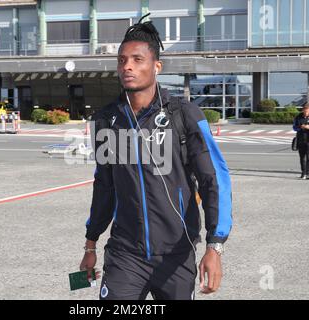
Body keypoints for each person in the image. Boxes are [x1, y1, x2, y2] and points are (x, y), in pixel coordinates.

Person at [79, 14, 232, 300]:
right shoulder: (106, 120)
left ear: (156, 66)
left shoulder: (185, 115)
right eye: (122, 60)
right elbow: (104, 187)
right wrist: (91, 245)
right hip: (125, 255)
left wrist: (215, 246)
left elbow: (214, 180)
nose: (127, 66)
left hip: (176, 255)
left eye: (137, 59)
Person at [293, 103, 309, 180]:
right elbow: (294, 127)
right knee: (302, 158)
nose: (306, 110)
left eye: (307, 109)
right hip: (301, 140)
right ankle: (303, 173)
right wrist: (301, 127)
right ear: (303, 109)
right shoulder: (298, 117)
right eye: (304, 109)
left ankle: (308, 173)